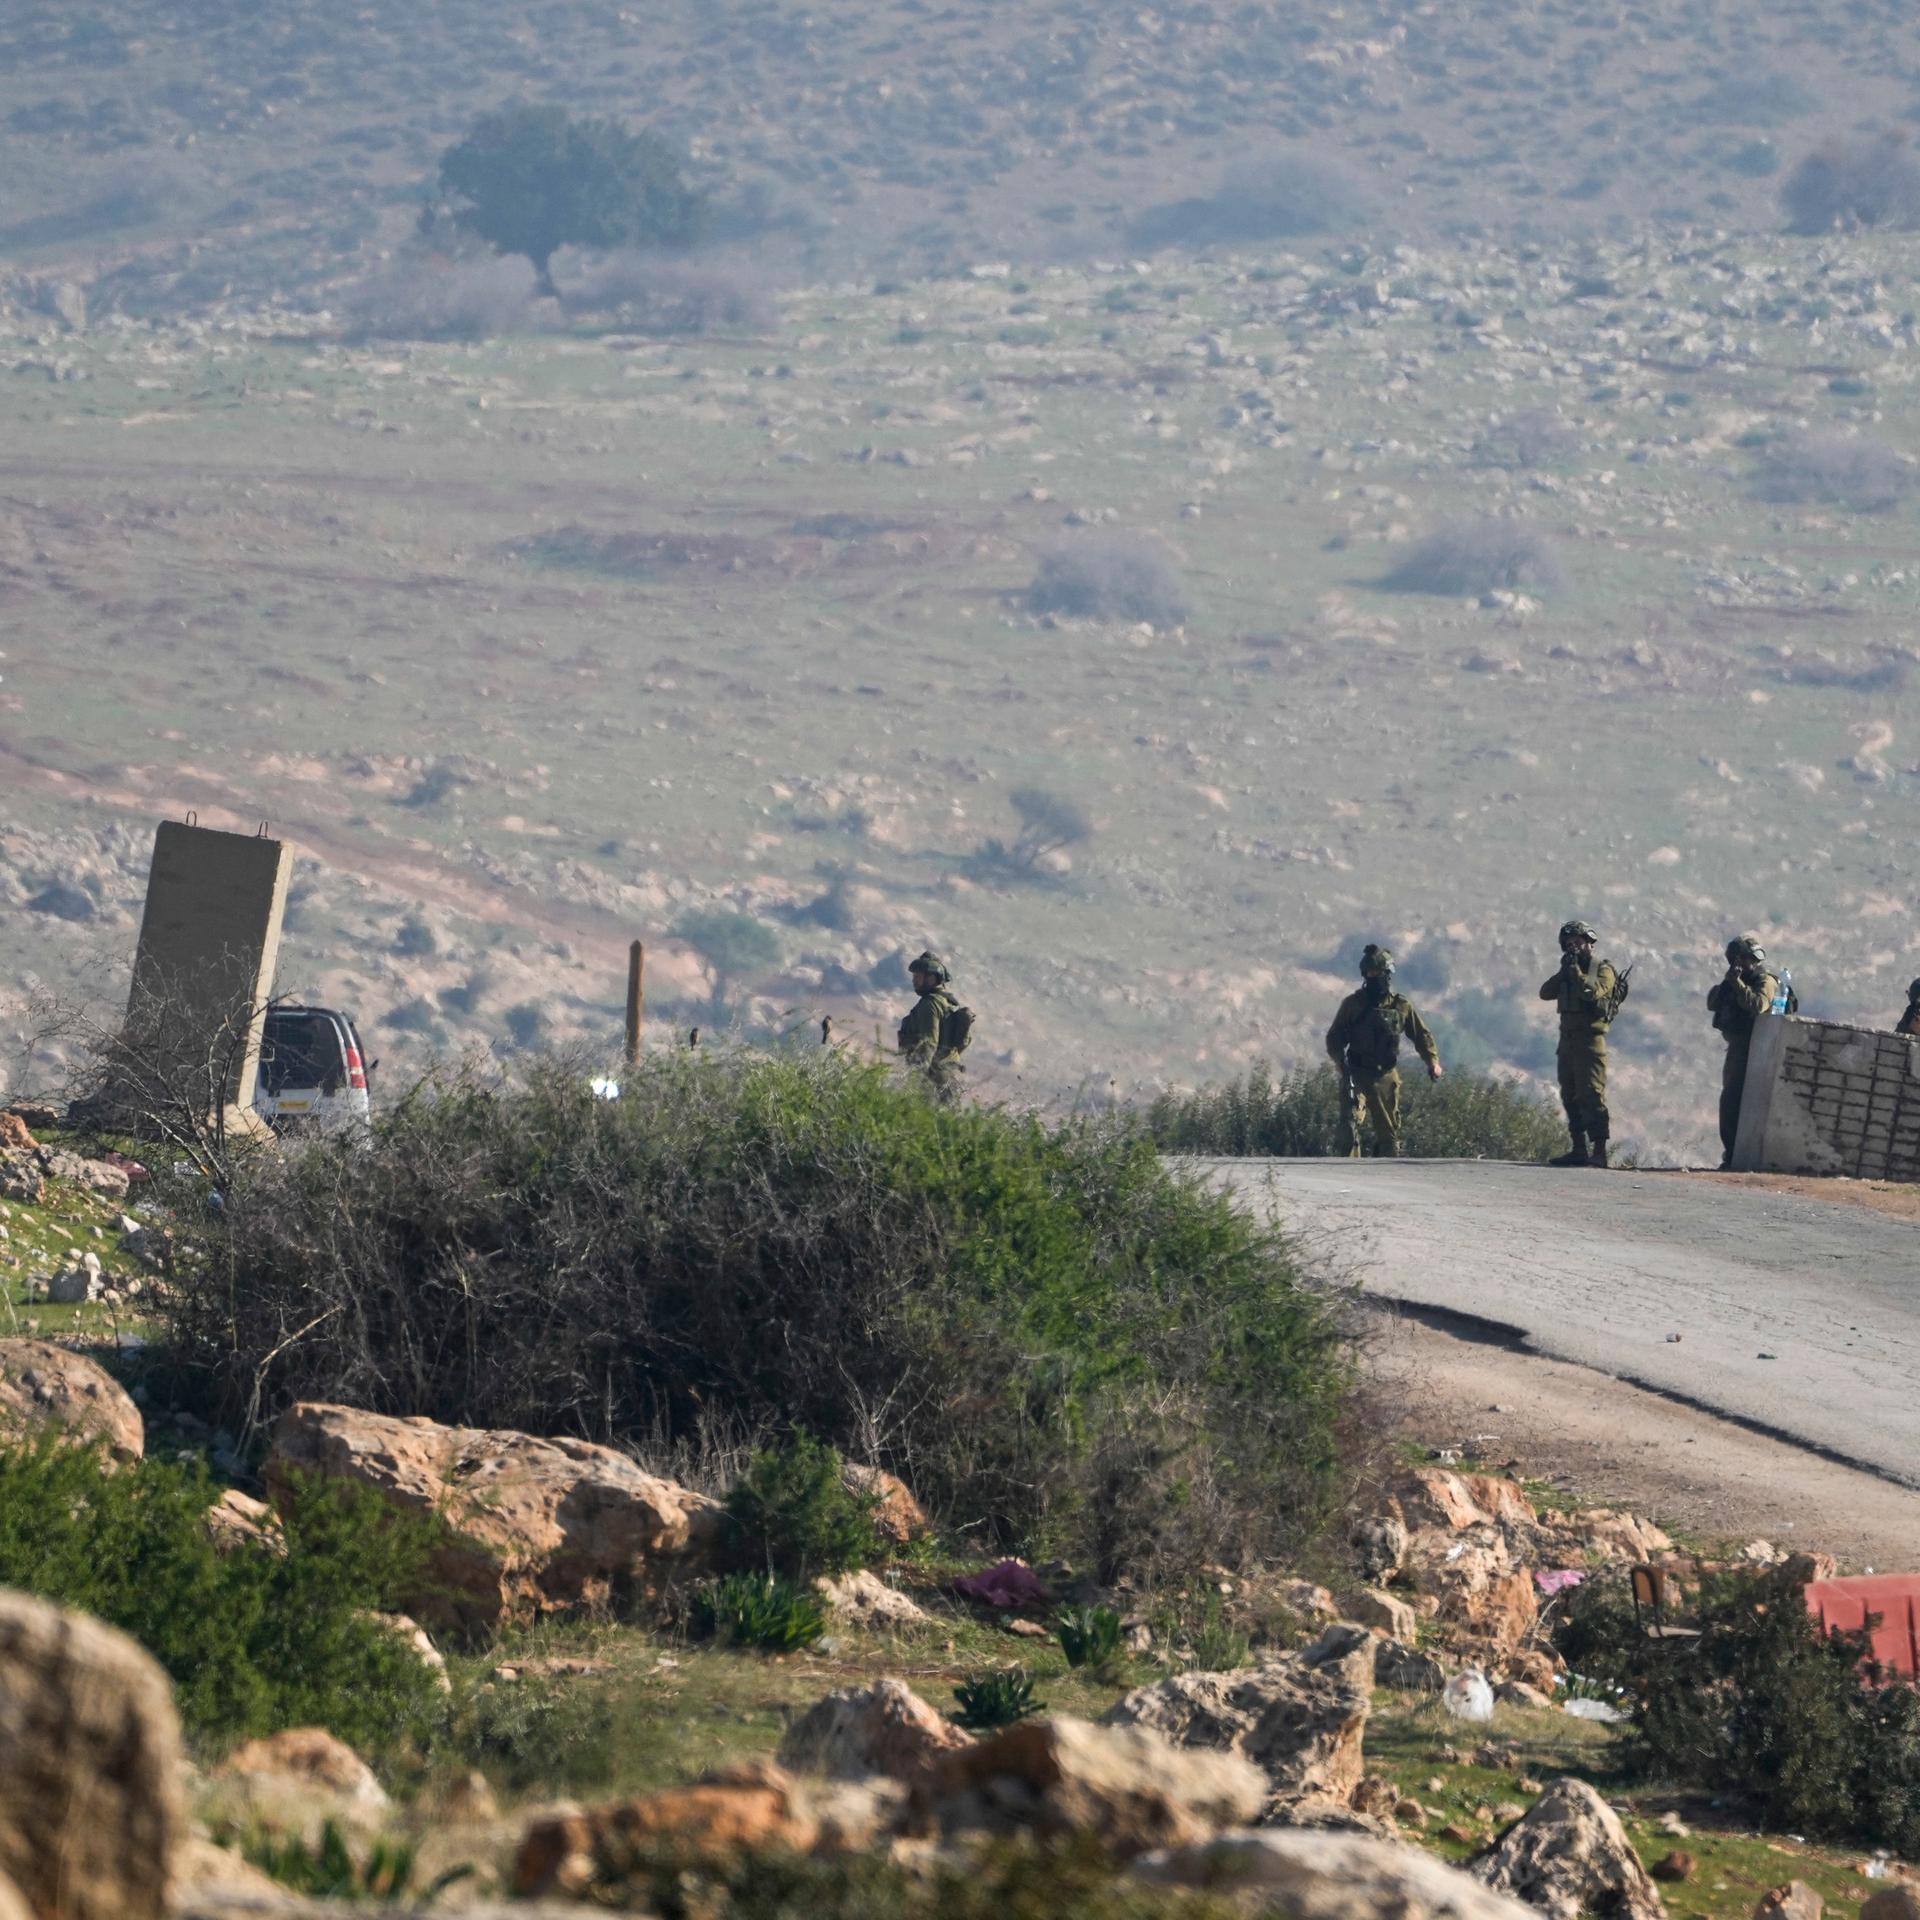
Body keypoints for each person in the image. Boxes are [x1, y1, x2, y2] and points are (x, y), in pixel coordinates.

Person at [1325, 944, 1442, 1158]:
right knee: (1348, 1127)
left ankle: (1382, 1178)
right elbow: (1335, 1036)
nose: (1374, 977)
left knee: (1388, 1138)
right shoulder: (1353, 1004)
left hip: (1386, 1075)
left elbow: (1421, 1035)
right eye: (1370, 973)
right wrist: (1339, 1061)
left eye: (1378, 972)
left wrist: (1432, 1062)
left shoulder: (1401, 1006)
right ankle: (1349, 1173)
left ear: (1387, 974)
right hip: (1357, 1072)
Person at [1539, 919, 1623, 1168]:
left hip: (1590, 1042)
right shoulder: (1568, 968)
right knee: (1570, 1095)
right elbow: (1545, 992)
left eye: (1578, 943)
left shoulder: (1603, 970)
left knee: (1591, 1094)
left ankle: (1599, 1150)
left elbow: (1593, 993)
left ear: (1590, 943)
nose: (1574, 948)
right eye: (1569, 944)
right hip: (1568, 1042)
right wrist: (1565, 971)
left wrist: (1575, 973)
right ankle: (1578, 1148)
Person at [1706, 934, 1780, 1171]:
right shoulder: (1734, 979)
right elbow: (1713, 1002)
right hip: (1738, 1047)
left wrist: (1737, 985)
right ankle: (1732, 1155)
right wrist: (1730, 984)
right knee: (1730, 1101)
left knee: (1753, 1102)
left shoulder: (1764, 980)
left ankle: (1749, 1156)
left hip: (1759, 1049)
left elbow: (1759, 1005)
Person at [897, 950, 971, 1100]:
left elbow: (928, 1043)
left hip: (934, 1076)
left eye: (918, 976)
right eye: (914, 976)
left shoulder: (929, 1004)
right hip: (947, 1074)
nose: (914, 981)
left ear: (931, 978)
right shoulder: (944, 1002)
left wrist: (913, 1080)